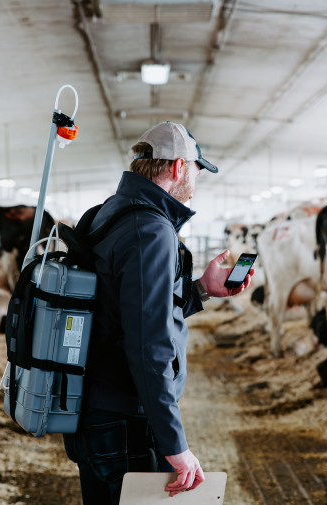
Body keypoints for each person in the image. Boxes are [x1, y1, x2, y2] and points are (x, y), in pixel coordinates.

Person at [63, 122, 254, 504]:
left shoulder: (111, 213)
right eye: (197, 171)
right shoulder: (150, 230)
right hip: (121, 421)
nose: (196, 182)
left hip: (97, 409)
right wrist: (174, 444)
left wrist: (201, 289)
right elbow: (149, 346)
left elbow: (128, 311)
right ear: (179, 168)